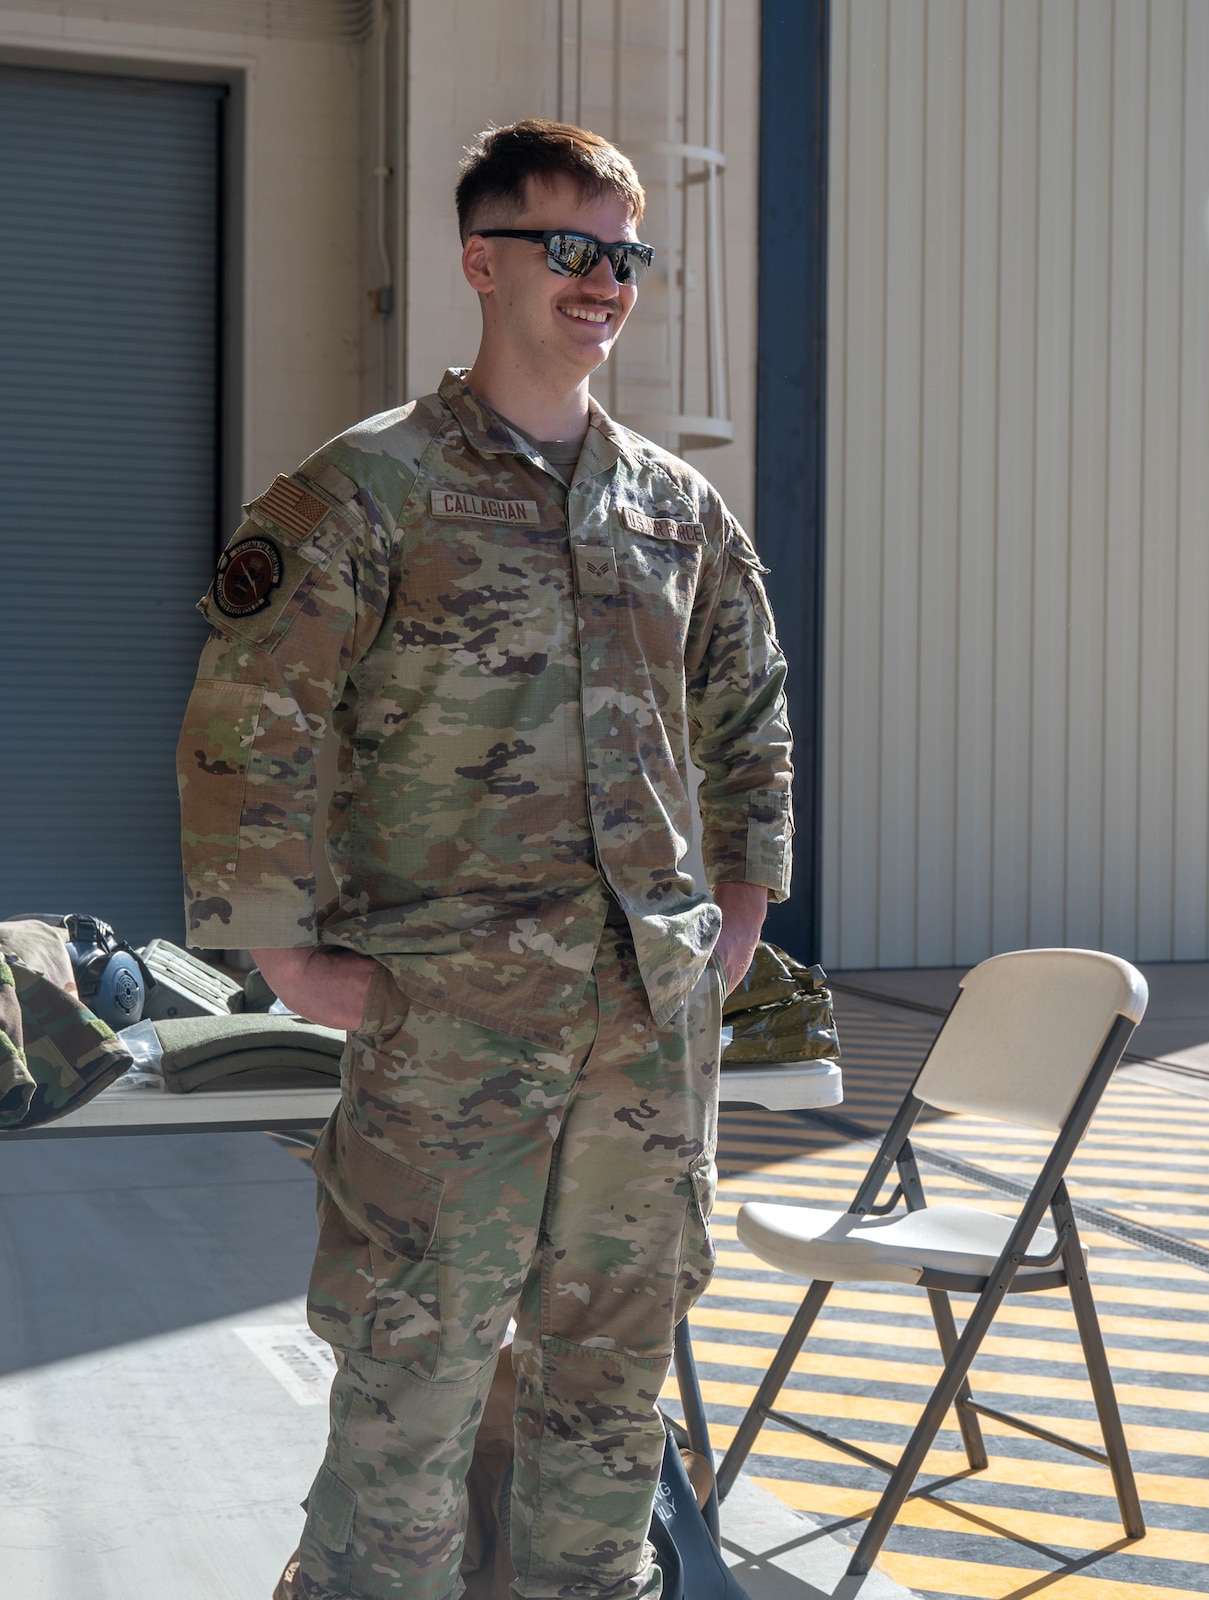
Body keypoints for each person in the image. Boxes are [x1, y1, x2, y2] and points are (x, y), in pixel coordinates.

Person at [175, 120, 792, 1600]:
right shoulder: (367, 492)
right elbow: (251, 721)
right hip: (452, 1017)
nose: (603, 283)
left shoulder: (673, 504)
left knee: (613, 1375)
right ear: (481, 261)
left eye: (625, 256)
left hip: (647, 1022)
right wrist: (282, 952)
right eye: (571, 249)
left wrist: (743, 902)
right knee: (415, 1367)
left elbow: (747, 700)